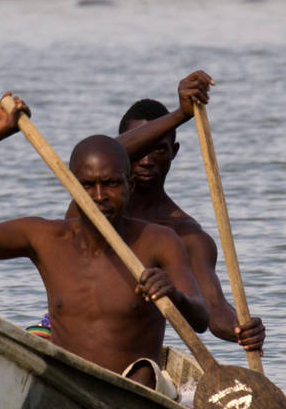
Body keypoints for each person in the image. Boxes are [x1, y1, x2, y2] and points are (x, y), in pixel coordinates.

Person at [0, 96, 209, 398]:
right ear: (72, 188)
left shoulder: (159, 241)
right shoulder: (45, 239)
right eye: (87, 185)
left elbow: (200, 318)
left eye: (111, 183)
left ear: (130, 186)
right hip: (69, 391)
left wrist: (173, 294)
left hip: (140, 393)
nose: (99, 196)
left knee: (143, 372)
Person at [114, 71, 267, 354]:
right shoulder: (93, 203)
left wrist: (242, 329)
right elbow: (104, 153)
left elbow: (213, 310)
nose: (146, 161)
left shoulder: (185, 233)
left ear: (174, 152)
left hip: (133, 351)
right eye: (140, 148)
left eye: (158, 150)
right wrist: (181, 114)